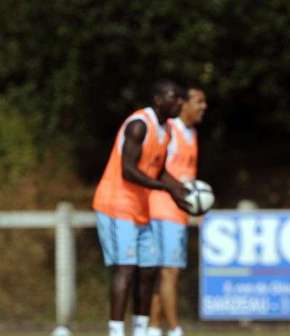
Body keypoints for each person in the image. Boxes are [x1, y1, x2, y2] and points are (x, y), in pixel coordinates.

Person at [92, 80, 190, 336]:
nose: (179, 101)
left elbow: (158, 170)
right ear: (158, 99)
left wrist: (178, 188)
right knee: (125, 267)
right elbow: (128, 170)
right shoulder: (139, 125)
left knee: (149, 269)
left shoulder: (166, 131)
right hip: (115, 205)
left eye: (181, 97)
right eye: (174, 97)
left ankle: (141, 330)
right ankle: (115, 332)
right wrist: (165, 188)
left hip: (139, 208)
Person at [146, 86, 207, 336]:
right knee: (169, 270)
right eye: (199, 101)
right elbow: (156, 166)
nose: (204, 106)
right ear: (184, 104)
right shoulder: (169, 131)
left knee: (167, 273)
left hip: (178, 211)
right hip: (162, 207)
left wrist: (196, 205)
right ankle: (174, 329)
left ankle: (151, 328)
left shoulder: (191, 133)